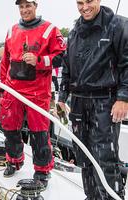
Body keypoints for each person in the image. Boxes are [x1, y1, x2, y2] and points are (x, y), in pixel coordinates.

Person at [58, 0, 128, 199]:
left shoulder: (119, 25)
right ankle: (91, 196)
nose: (84, 7)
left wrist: (123, 97)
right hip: (78, 104)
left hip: (105, 103)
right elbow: (66, 68)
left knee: (105, 158)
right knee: (84, 157)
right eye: (80, 2)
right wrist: (62, 97)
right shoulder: (73, 33)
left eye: (89, 1)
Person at [0, 0, 66, 186]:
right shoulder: (12, 30)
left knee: (40, 133)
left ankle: (42, 170)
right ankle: (14, 160)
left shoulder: (50, 29)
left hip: (37, 92)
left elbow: (62, 57)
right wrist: (1, 88)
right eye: (21, 7)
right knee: (10, 128)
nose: (24, 10)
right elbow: (5, 62)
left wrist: (40, 60)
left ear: (36, 6)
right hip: (12, 90)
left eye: (28, 6)